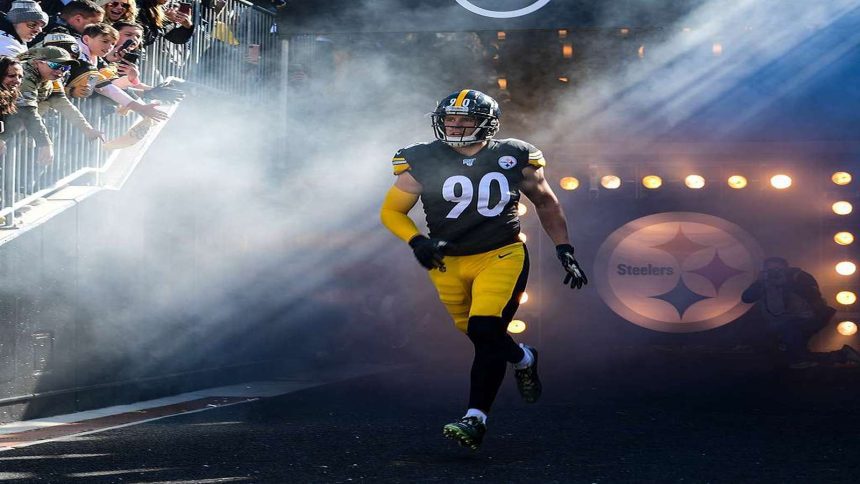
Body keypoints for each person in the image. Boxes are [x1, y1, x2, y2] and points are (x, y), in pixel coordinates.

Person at [379, 89, 588, 450]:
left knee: (485, 328)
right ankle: (524, 358)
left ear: (486, 124)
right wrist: (417, 241)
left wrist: (564, 247)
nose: (456, 126)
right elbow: (391, 211)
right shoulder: (422, 158)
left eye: (466, 119)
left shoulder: (512, 154)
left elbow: (546, 202)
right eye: (450, 119)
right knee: (480, 336)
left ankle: (475, 419)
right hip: (447, 261)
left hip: (501, 254)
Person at [742, 257, 860, 368]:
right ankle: (842, 355)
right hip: (778, 323)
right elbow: (747, 298)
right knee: (790, 357)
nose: (774, 273)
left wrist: (787, 284)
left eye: (777, 269)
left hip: (805, 320)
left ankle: (835, 357)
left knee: (792, 347)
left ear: (786, 269)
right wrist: (758, 282)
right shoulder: (763, 282)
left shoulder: (799, 277)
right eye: (769, 270)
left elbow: (814, 296)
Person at [0, 46, 103, 166]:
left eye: (65, 67)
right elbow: (28, 113)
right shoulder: (26, 74)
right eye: (55, 65)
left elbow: (63, 104)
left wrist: (87, 129)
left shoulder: (52, 78)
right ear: (38, 62)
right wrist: (45, 144)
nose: (60, 71)